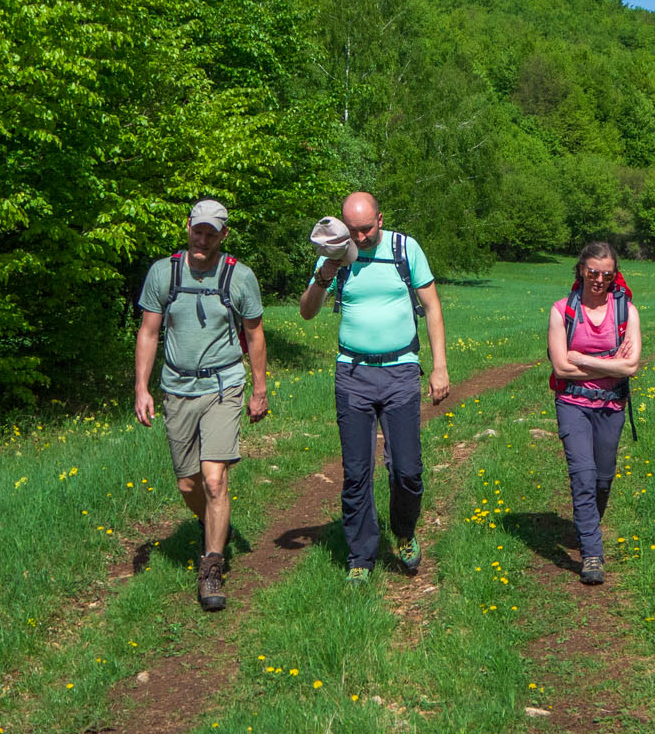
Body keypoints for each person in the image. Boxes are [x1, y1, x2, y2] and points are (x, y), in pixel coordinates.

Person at [299, 192, 450, 583]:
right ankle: (360, 558)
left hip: (401, 371)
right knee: (356, 473)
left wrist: (440, 367)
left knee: (408, 471)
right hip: (352, 375)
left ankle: (403, 532)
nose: (361, 237)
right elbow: (307, 310)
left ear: (380, 219)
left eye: (366, 229)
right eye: (353, 231)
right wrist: (325, 273)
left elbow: (432, 306)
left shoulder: (405, 248)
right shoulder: (334, 255)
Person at [134, 199, 269, 612]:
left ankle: (211, 566)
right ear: (188, 228)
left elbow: (256, 333)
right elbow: (148, 332)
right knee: (188, 484)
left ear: (223, 235)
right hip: (176, 387)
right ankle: (211, 523)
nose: (203, 239)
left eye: (212, 233)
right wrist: (142, 388)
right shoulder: (163, 273)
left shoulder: (240, 277)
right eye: (199, 230)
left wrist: (259, 388)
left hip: (224, 385)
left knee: (214, 480)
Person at [545, 241, 641, 585]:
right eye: (592, 272)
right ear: (580, 270)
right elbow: (560, 368)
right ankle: (592, 554)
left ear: (614, 276)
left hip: (612, 406)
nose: (599, 279)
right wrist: (610, 365)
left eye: (606, 274)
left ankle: (587, 526)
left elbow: (631, 367)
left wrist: (583, 359)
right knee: (583, 475)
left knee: (603, 478)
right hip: (572, 404)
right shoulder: (562, 310)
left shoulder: (626, 310)